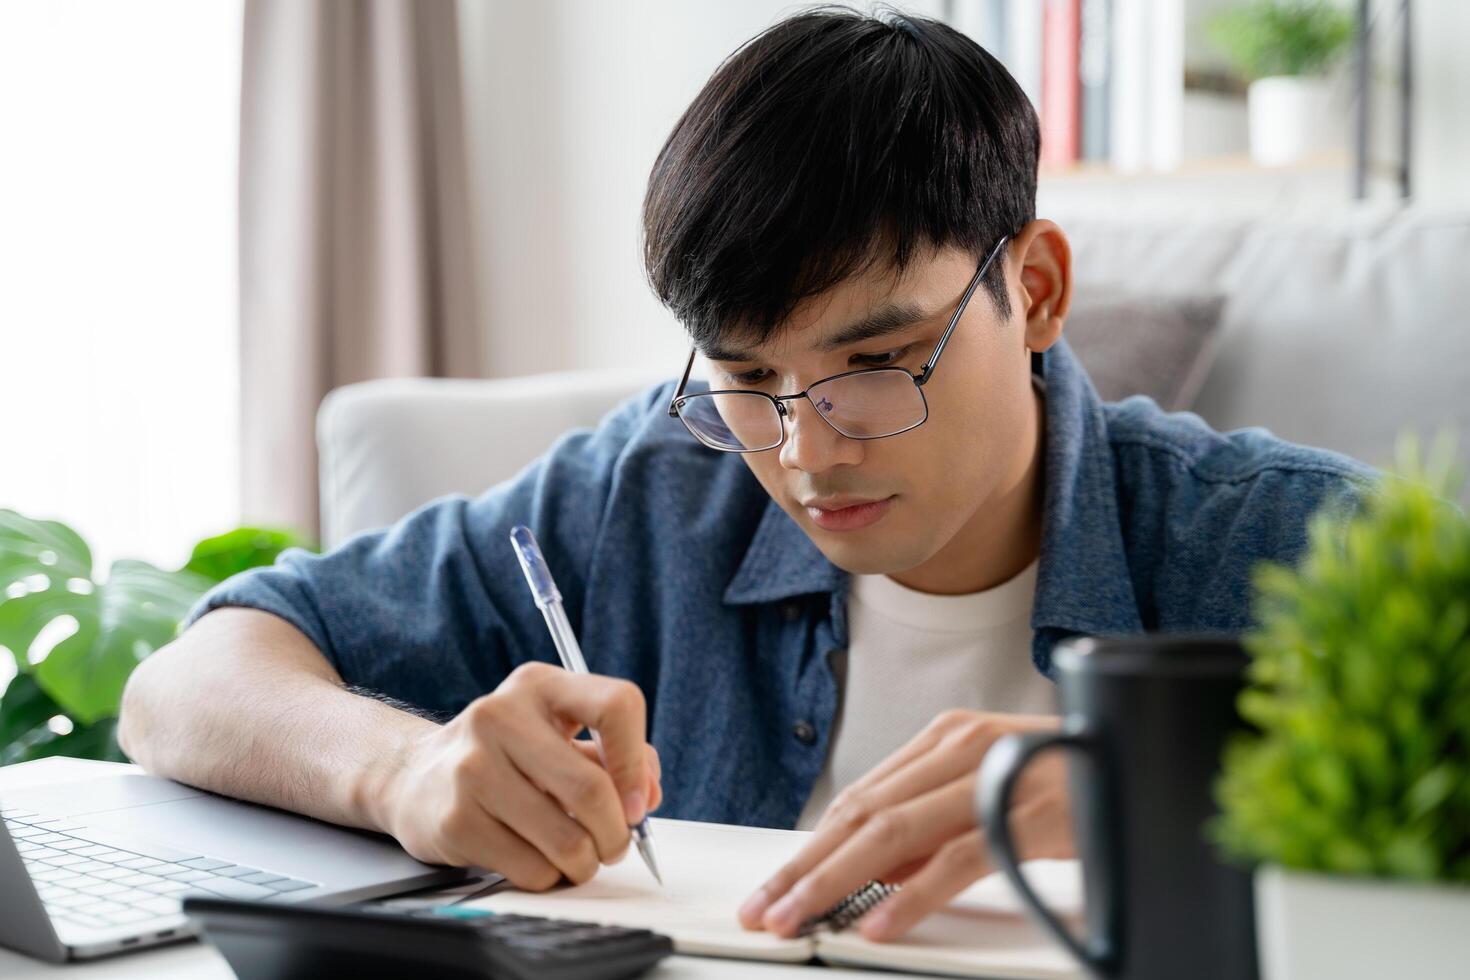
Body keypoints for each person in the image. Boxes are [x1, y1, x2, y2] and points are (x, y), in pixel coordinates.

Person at [117, 8, 1372, 944]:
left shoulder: (1290, 541)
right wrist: (399, 770)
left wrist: (1168, 787)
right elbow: (194, 675)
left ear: (1034, 290)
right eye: (748, 379)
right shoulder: (654, 493)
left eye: (877, 361)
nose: (806, 450)